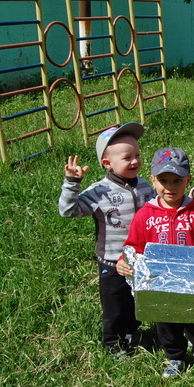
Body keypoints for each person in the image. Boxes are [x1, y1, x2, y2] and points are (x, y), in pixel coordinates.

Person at [117, 147, 194, 383]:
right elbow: (134, 245)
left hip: (193, 283)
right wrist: (123, 261)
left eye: (177, 180)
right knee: (165, 322)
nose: (170, 186)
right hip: (159, 282)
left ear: (188, 180)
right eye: (164, 180)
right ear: (154, 180)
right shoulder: (145, 215)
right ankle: (174, 356)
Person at [58, 122, 153, 358]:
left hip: (139, 259)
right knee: (115, 305)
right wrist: (72, 183)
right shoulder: (99, 191)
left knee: (135, 300)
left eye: (138, 155)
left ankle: (131, 332)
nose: (135, 161)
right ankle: (113, 342)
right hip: (111, 261)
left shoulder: (143, 185)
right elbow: (68, 211)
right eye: (127, 157)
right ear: (107, 163)